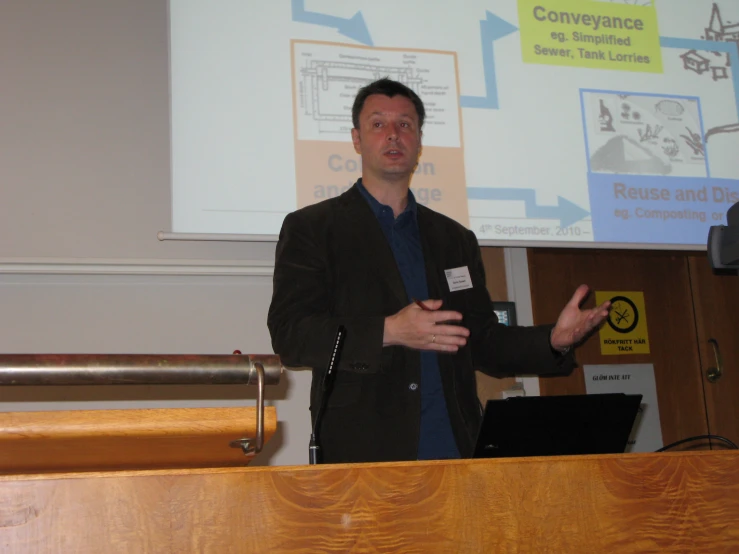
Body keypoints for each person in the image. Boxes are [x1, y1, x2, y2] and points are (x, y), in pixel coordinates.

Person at [268, 78, 609, 464]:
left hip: (455, 448)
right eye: (378, 124)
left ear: (419, 142)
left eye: (406, 125)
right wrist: (390, 331)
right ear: (357, 140)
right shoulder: (313, 228)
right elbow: (291, 334)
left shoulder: (454, 238)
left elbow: (480, 340)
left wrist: (554, 341)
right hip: (363, 453)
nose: (393, 135)